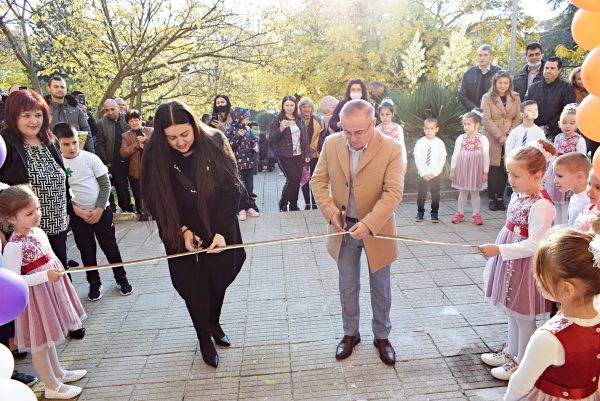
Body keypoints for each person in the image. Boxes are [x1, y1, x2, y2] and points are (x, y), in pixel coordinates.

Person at [140, 100, 246, 368]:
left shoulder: (214, 141)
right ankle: (204, 337)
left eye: (185, 134)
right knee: (194, 284)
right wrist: (183, 230)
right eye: (171, 137)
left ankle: (214, 322)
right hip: (177, 225)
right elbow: (154, 198)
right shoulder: (155, 153)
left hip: (218, 221)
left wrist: (221, 231)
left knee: (220, 274)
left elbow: (231, 188)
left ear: (195, 127)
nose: (180, 142)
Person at [311, 99, 404, 366]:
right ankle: (350, 333)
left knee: (381, 286)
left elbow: (393, 193)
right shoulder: (331, 143)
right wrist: (330, 213)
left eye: (359, 132)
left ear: (373, 124)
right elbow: (318, 181)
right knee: (347, 285)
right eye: (346, 131)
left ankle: (382, 336)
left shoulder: (391, 148)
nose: (351, 138)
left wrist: (369, 223)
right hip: (343, 228)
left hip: (378, 228)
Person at [479, 140, 557, 381]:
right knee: (512, 311)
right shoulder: (519, 195)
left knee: (524, 316)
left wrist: (500, 249)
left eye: (517, 175)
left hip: (524, 265)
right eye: (510, 174)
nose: (511, 180)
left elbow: (536, 243)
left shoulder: (542, 204)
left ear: (538, 175)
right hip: (511, 261)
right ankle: (512, 353)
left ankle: (524, 362)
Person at [0, 185, 87, 400]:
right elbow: (15, 280)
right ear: (11, 219)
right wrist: (45, 277)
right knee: (40, 344)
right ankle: (52, 386)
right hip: (34, 301)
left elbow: (48, 258)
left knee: (49, 339)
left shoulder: (38, 232)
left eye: (37, 209)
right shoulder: (13, 246)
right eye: (29, 213)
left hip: (48, 293)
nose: (37, 215)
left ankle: (59, 373)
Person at [503, 228, 600, 401]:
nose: (536, 280)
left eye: (541, 276)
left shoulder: (548, 338)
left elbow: (520, 383)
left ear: (566, 289)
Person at [55, 123, 133, 301]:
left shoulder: (91, 158)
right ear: (57, 143)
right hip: (78, 215)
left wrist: (98, 209)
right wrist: (78, 211)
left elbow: (105, 185)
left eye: (74, 142)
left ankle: (122, 278)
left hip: (101, 212)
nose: (72, 147)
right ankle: (94, 283)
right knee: (86, 251)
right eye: (66, 144)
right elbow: (64, 192)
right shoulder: (57, 163)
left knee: (110, 247)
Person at [481, 71, 522, 211]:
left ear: (509, 84)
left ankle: (501, 199)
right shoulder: (487, 98)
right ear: (495, 83)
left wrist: (509, 134)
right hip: (493, 137)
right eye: (500, 83)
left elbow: (518, 118)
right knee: (494, 169)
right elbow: (486, 119)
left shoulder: (515, 97)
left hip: (510, 137)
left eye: (506, 83)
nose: (503, 85)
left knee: (505, 169)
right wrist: (500, 135)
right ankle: (492, 198)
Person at [544, 104, 586, 225]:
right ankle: (556, 226)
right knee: (556, 204)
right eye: (564, 122)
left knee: (568, 205)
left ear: (577, 125)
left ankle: (566, 227)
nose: (567, 126)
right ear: (559, 124)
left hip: (570, 174)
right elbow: (554, 156)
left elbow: (581, 159)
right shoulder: (558, 138)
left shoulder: (579, 140)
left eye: (572, 123)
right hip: (557, 173)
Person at [268, 95, 310, 212]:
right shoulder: (278, 119)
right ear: (283, 106)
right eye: (287, 105)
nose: (289, 107)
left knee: (296, 180)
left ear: (295, 106)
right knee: (292, 179)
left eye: (292, 105)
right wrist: (281, 128)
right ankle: (283, 203)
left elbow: (305, 138)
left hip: (299, 155)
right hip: (284, 155)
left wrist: (307, 154)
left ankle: (293, 205)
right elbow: (271, 139)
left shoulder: (299, 119)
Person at [451, 110, 490, 225]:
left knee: (475, 192)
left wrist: (485, 172)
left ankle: (476, 214)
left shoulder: (483, 139)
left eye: (469, 124)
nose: (466, 127)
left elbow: (486, 156)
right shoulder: (461, 138)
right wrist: (453, 169)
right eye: (465, 124)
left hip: (476, 170)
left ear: (477, 125)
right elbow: (455, 154)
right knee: (463, 191)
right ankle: (460, 213)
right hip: (463, 169)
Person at [525, 56, 576, 139]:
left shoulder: (566, 88)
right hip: (533, 131)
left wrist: (547, 127)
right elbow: (525, 108)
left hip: (556, 134)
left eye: (552, 68)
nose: (548, 71)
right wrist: (532, 126)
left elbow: (568, 111)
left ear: (559, 70)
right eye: (546, 68)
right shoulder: (533, 88)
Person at [96, 99, 133, 213]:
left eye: (112, 109)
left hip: (131, 156)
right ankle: (126, 208)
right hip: (114, 159)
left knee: (136, 184)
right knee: (121, 186)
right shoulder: (101, 123)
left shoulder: (127, 118)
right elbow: (100, 143)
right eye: (107, 110)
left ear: (118, 107)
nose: (110, 112)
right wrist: (106, 161)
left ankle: (142, 208)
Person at [226, 107, 260, 220]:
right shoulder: (230, 129)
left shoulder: (248, 129)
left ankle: (248, 207)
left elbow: (254, 139)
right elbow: (228, 146)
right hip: (237, 165)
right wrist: (238, 136)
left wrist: (255, 145)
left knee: (249, 187)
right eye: (246, 117)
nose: (248, 120)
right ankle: (240, 209)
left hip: (249, 164)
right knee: (240, 188)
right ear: (239, 117)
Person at [44, 76, 95, 153]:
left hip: (77, 153)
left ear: (66, 89)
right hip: (54, 154)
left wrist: (92, 154)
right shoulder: (43, 110)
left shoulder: (76, 109)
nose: (59, 89)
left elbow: (86, 131)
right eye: (56, 87)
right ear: (49, 88)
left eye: (62, 87)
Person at [120, 109, 153, 221]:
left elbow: (159, 147)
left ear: (140, 119)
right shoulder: (126, 136)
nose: (134, 123)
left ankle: (156, 213)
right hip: (136, 170)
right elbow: (123, 153)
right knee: (139, 194)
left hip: (152, 170)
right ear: (128, 123)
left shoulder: (150, 131)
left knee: (154, 192)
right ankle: (142, 213)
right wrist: (137, 145)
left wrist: (146, 141)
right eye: (131, 121)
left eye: (136, 120)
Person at [414, 118, 447, 223]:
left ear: (436, 129)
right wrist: (423, 173)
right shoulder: (420, 142)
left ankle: (434, 213)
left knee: (435, 195)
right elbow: (417, 158)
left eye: (432, 128)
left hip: (435, 174)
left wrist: (435, 173)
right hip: (423, 174)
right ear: (424, 129)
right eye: (427, 128)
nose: (429, 131)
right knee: (421, 195)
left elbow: (442, 159)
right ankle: (420, 212)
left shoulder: (440, 143)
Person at [459, 44, 504, 111]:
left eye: (485, 55)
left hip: (494, 114)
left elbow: (505, 93)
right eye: (480, 55)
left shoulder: (499, 73)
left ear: (491, 56)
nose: (482, 58)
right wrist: (474, 109)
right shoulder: (468, 73)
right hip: (473, 114)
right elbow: (462, 95)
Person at [551, 152, 591, 226]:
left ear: (579, 176)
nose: (554, 181)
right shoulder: (575, 197)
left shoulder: (588, 201)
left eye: (560, 176)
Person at [298, 97, 322, 209]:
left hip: (314, 155)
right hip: (300, 155)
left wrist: (311, 149)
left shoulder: (317, 120)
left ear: (312, 108)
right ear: (300, 108)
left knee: (315, 178)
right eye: (304, 107)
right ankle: (307, 202)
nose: (306, 109)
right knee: (304, 178)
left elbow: (319, 136)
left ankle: (315, 202)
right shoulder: (297, 120)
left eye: (309, 107)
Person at [376, 99, 407, 175]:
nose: (385, 117)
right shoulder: (376, 129)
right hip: (380, 163)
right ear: (379, 115)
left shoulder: (398, 128)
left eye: (387, 114)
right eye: (382, 114)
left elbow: (402, 146)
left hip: (395, 161)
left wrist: (404, 162)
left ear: (392, 114)